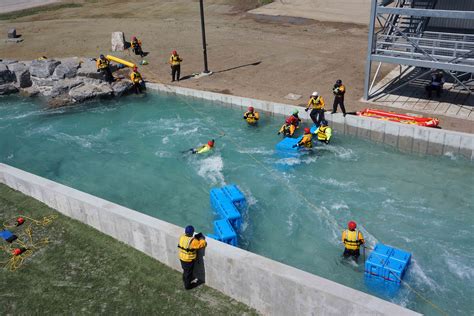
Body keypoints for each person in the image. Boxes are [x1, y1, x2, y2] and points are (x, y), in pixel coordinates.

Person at [178, 225, 207, 290]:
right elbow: (201, 244)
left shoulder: (182, 237)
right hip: (188, 260)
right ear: (192, 232)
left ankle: (184, 280)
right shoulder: (193, 241)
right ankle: (188, 286)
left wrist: (195, 238)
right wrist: (201, 238)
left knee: (185, 271)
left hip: (182, 257)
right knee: (188, 273)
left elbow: (187, 242)